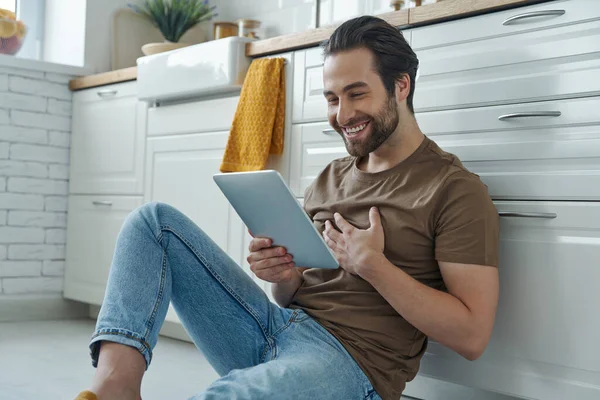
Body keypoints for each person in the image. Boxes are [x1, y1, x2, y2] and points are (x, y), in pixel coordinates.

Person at [76, 15, 499, 400]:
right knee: (152, 223)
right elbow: (291, 296)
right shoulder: (329, 177)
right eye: (332, 98)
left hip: (350, 363)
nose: (342, 114)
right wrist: (284, 275)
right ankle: (115, 387)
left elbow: (472, 336)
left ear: (401, 86)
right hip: (277, 329)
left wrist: (374, 265)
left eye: (356, 94)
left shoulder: (454, 190)